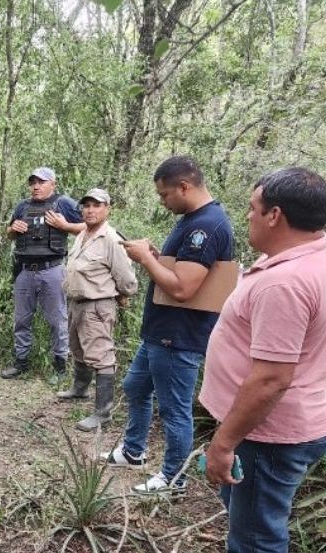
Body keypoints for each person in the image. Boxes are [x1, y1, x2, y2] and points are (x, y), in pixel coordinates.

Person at [192, 168, 326, 553]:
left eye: (252, 208)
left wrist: (224, 444)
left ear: (275, 215)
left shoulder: (287, 282)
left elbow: (271, 379)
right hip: (266, 429)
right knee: (246, 514)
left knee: (260, 529)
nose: (247, 216)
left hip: (268, 434)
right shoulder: (314, 257)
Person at [100, 156, 234, 495]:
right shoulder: (193, 220)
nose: (162, 201)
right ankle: (133, 451)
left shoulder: (208, 227)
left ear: (184, 187)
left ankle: (174, 478)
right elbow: (181, 272)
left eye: (164, 195)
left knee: (174, 409)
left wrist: (145, 259)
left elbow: (182, 288)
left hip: (179, 335)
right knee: (135, 387)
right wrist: (157, 256)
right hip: (160, 331)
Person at [58, 188, 137, 431]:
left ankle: (103, 412)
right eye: (87, 205)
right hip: (76, 302)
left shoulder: (111, 239)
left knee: (101, 355)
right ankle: (79, 389)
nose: (90, 210)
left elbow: (126, 277)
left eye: (97, 205)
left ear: (107, 209)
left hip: (97, 305)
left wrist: (123, 294)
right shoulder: (82, 234)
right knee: (78, 347)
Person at [1, 167, 84, 383]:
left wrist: (64, 225)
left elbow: (89, 225)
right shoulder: (22, 206)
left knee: (57, 320)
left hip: (53, 269)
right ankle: (21, 363)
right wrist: (12, 229)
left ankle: (60, 366)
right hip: (25, 270)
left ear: (53, 184)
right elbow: (8, 233)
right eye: (33, 182)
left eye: (41, 182)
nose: (36, 186)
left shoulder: (63, 203)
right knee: (21, 320)